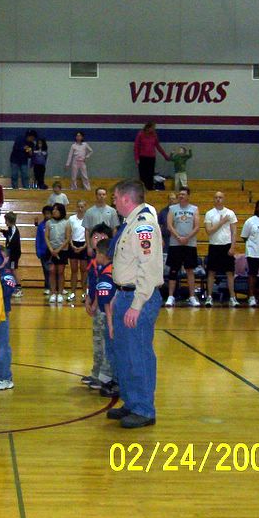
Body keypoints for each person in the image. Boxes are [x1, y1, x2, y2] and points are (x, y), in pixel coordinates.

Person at [107, 179, 164, 429]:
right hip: (125, 294)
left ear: (126, 199)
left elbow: (148, 269)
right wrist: (119, 295)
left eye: (115, 198)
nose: (114, 202)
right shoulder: (131, 222)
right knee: (124, 353)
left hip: (139, 297)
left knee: (138, 354)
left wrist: (137, 304)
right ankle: (131, 402)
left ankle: (144, 409)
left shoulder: (143, 226)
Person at [83, 226, 116, 396]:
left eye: (102, 237)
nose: (98, 240)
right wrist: (88, 299)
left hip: (104, 309)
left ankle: (105, 377)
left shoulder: (109, 268)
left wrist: (95, 303)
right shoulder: (94, 263)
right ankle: (96, 373)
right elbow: (92, 283)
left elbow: (104, 290)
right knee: (97, 343)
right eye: (95, 236)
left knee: (104, 344)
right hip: (98, 307)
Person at [165, 187, 201, 307]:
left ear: (188, 196)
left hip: (189, 244)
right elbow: (169, 225)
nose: (181, 196)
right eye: (179, 194)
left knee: (190, 270)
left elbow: (197, 227)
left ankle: (192, 296)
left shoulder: (194, 209)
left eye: (183, 194)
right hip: (175, 244)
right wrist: (179, 237)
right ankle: (170, 297)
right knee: (173, 269)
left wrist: (187, 238)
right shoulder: (172, 209)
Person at [203, 192, 240, 307]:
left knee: (229, 272)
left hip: (227, 245)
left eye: (220, 197)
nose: (218, 199)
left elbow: (234, 232)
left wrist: (232, 247)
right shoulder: (209, 213)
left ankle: (232, 297)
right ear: (213, 199)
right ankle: (209, 297)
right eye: (216, 197)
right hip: (214, 245)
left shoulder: (230, 213)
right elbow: (209, 231)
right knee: (211, 272)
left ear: (224, 199)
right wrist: (221, 222)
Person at [83, 188, 120, 256]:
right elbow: (87, 231)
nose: (101, 196)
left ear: (106, 196)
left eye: (103, 194)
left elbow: (114, 229)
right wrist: (89, 247)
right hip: (94, 244)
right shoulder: (89, 211)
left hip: (107, 244)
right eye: (99, 194)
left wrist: (113, 244)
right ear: (96, 196)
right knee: (93, 262)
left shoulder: (112, 211)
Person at [46, 203, 70, 304]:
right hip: (51, 250)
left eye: (57, 209)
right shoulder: (49, 222)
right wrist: (51, 249)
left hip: (62, 250)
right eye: (53, 209)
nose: (54, 211)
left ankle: (60, 293)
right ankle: (53, 293)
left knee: (60, 272)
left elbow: (67, 238)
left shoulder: (66, 223)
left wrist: (58, 250)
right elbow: (46, 237)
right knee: (52, 271)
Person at [133, 121, 169, 190]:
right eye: (152, 127)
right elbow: (136, 147)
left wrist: (165, 156)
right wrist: (136, 158)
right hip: (143, 157)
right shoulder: (141, 134)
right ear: (148, 127)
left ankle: (150, 188)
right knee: (143, 175)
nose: (153, 129)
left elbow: (158, 146)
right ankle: (143, 188)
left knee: (150, 174)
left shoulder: (154, 135)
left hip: (151, 157)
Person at [67, 200, 89, 301]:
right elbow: (68, 233)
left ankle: (84, 293)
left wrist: (84, 246)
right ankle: (73, 293)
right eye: (78, 207)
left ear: (85, 207)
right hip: (73, 245)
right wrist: (72, 245)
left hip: (84, 245)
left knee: (84, 270)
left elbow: (89, 234)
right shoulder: (71, 219)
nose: (80, 209)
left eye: (82, 207)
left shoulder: (88, 219)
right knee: (74, 270)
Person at [3, 211, 22, 297]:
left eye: (6, 220)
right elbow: (8, 235)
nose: (5, 222)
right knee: (11, 270)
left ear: (8, 220)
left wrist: (6, 250)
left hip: (14, 254)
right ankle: (13, 287)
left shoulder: (14, 229)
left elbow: (11, 241)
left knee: (13, 270)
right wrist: (3, 232)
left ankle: (19, 288)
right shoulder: (10, 229)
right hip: (11, 253)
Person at [34, 205, 53, 296]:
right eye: (45, 214)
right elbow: (38, 239)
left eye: (49, 214)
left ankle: (57, 287)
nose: (47, 215)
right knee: (46, 270)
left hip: (54, 250)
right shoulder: (41, 226)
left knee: (55, 270)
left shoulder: (54, 224)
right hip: (44, 251)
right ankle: (47, 287)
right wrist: (38, 250)